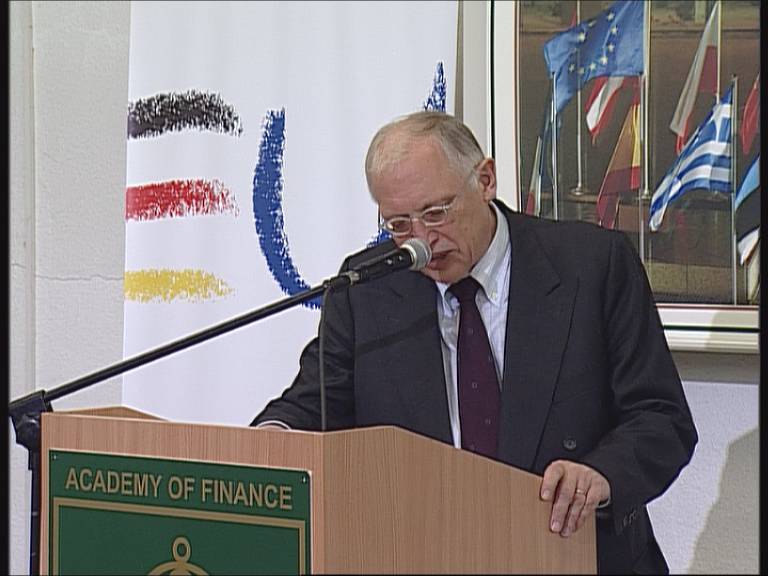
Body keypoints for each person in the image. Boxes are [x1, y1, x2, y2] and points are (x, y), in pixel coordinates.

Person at [251, 111, 698, 574]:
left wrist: (601, 475)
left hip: (575, 554)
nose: (421, 243)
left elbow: (661, 417)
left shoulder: (591, 266)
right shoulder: (367, 289)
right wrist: (267, 444)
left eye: (435, 213)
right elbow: (313, 406)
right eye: (399, 224)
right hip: (428, 557)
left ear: (485, 180)